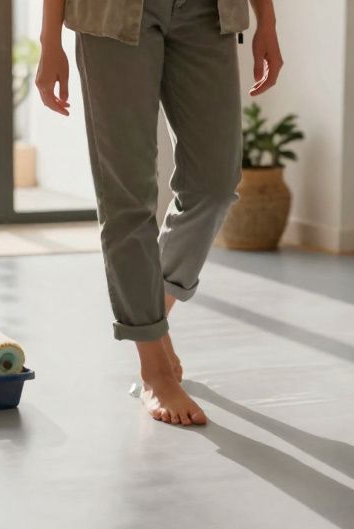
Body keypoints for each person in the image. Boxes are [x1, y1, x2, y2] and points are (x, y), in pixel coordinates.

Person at [36, 0, 283, 426]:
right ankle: (155, 369)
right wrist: (49, 39)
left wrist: (268, 23)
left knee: (215, 185)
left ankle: (154, 315)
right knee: (127, 195)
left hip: (208, 13)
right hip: (111, 14)